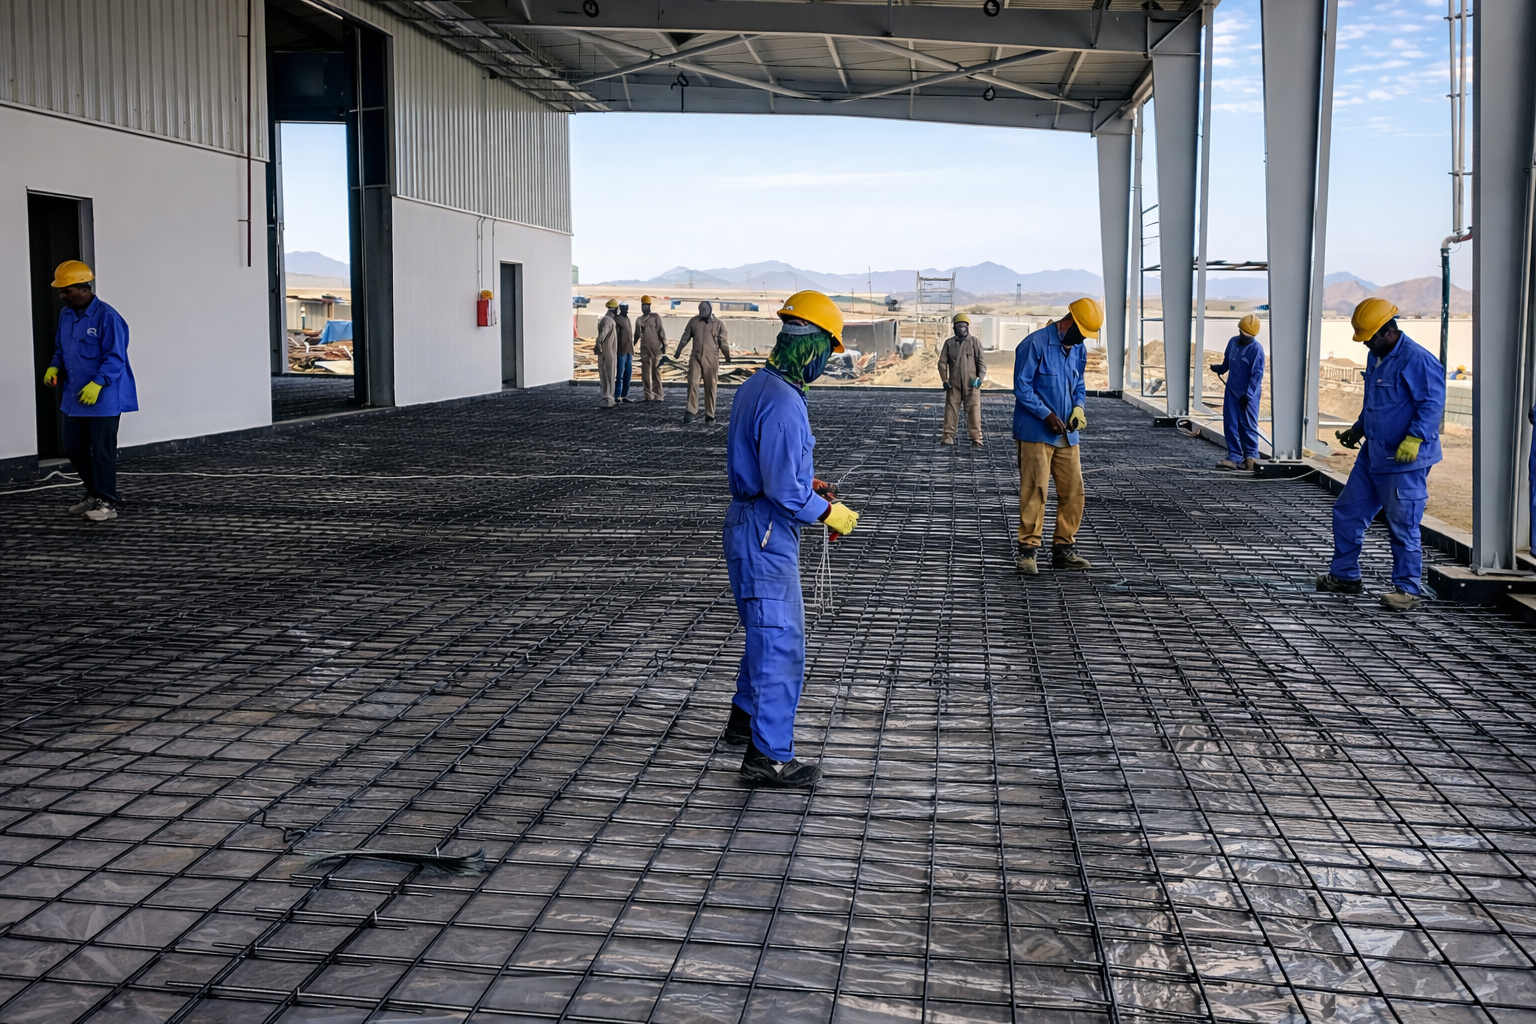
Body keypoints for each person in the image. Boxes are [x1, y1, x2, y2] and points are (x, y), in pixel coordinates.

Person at [722, 289, 859, 789]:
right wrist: (829, 512)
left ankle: (744, 719)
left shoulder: (758, 386)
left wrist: (809, 484)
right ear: (816, 345)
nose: (828, 359)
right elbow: (783, 491)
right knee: (781, 641)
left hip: (749, 523)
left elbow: (775, 471)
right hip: (765, 532)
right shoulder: (784, 401)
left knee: (764, 628)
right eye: (830, 348)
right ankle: (768, 756)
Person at [1317, 297, 1446, 612]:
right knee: (1347, 513)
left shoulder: (1418, 360)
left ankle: (1407, 589)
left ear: (1388, 331)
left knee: (1403, 523)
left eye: (1370, 338)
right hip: (1373, 454)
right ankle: (1345, 575)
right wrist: (1358, 429)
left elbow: (1431, 404)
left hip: (1404, 462)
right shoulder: (1377, 357)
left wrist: (1415, 438)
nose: (1366, 345)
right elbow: (1377, 401)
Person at [41, 260, 138, 523]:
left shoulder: (108, 317)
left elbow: (116, 357)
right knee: (74, 448)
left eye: (67, 291)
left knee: (101, 450)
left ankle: (107, 502)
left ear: (83, 288)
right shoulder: (67, 315)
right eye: (61, 291)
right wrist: (54, 367)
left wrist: (98, 383)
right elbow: (62, 349)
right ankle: (93, 494)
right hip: (74, 397)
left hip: (103, 397)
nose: (62, 296)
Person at [1012, 297, 1099, 575]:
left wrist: (1078, 407)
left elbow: (1080, 384)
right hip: (1037, 432)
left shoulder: (1078, 349)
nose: (1083, 339)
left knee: (1074, 491)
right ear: (1070, 321)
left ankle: (1064, 548)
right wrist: (1045, 415)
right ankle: (1028, 551)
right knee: (1036, 489)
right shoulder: (1034, 344)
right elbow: (1022, 387)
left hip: (1067, 435)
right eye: (1081, 332)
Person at [1211, 313, 1265, 470]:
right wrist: (1219, 369)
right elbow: (1227, 362)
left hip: (1248, 396)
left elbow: (1257, 375)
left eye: (1248, 335)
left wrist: (1248, 395)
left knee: (1247, 425)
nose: (1243, 336)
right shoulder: (1233, 342)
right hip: (1232, 392)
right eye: (1242, 333)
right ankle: (1234, 457)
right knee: (1230, 424)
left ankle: (1252, 457)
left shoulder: (1256, 350)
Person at [674, 300, 730, 424]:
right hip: (696, 358)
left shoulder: (719, 324)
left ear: (710, 309)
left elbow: (723, 342)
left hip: (711, 359)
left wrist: (727, 356)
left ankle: (710, 415)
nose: (702, 312)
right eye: (700, 309)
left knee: (710, 386)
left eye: (704, 309)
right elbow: (685, 337)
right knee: (692, 382)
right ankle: (691, 410)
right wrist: (678, 350)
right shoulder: (693, 322)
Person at [937, 312, 986, 447]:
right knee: (951, 410)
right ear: (954, 328)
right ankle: (948, 436)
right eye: (958, 326)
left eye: (964, 326)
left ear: (968, 327)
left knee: (974, 411)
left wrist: (979, 379)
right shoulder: (949, 343)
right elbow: (942, 363)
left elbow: (982, 364)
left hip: (972, 385)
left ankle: (976, 438)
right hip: (954, 385)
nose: (961, 328)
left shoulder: (974, 342)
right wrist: (945, 380)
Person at [635, 295, 667, 401]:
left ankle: (658, 395)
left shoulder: (655, 317)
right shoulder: (639, 320)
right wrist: (632, 345)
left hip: (656, 350)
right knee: (645, 374)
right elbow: (636, 335)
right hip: (645, 350)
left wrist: (664, 345)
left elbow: (661, 331)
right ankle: (648, 395)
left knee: (656, 372)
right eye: (643, 305)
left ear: (649, 306)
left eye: (646, 305)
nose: (644, 307)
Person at [594, 299, 619, 408]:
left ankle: (608, 398)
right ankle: (607, 399)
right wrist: (598, 346)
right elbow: (602, 336)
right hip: (607, 353)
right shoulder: (608, 321)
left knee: (607, 375)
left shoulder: (606, 319)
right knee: (608, 375)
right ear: (615, 309)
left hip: (607, 353)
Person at [615, 302, 635, 403]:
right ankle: (617, 396)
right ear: (620, 308)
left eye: (627, 308)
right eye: (624, 308)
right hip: (621, 351)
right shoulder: (617, 319)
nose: (626, 310)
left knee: (628, 374)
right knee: (620, 375)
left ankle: (624, 395)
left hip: (629, 351)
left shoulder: (627, 319)